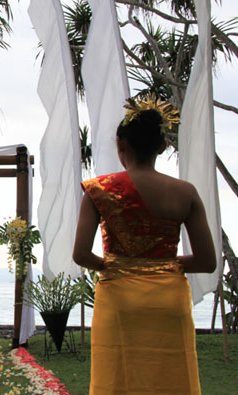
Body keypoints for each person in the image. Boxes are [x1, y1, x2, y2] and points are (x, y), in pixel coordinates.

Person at [73, 96, 216, 395]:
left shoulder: (99, 191)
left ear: (119, 145)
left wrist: (116, 265)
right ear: (161, 146)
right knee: (172, 378)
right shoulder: (185, 192)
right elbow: (206, 261)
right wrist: (163, 264)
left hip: (119, 299)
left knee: (117, 380)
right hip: (168, 299)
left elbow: (81, 255)